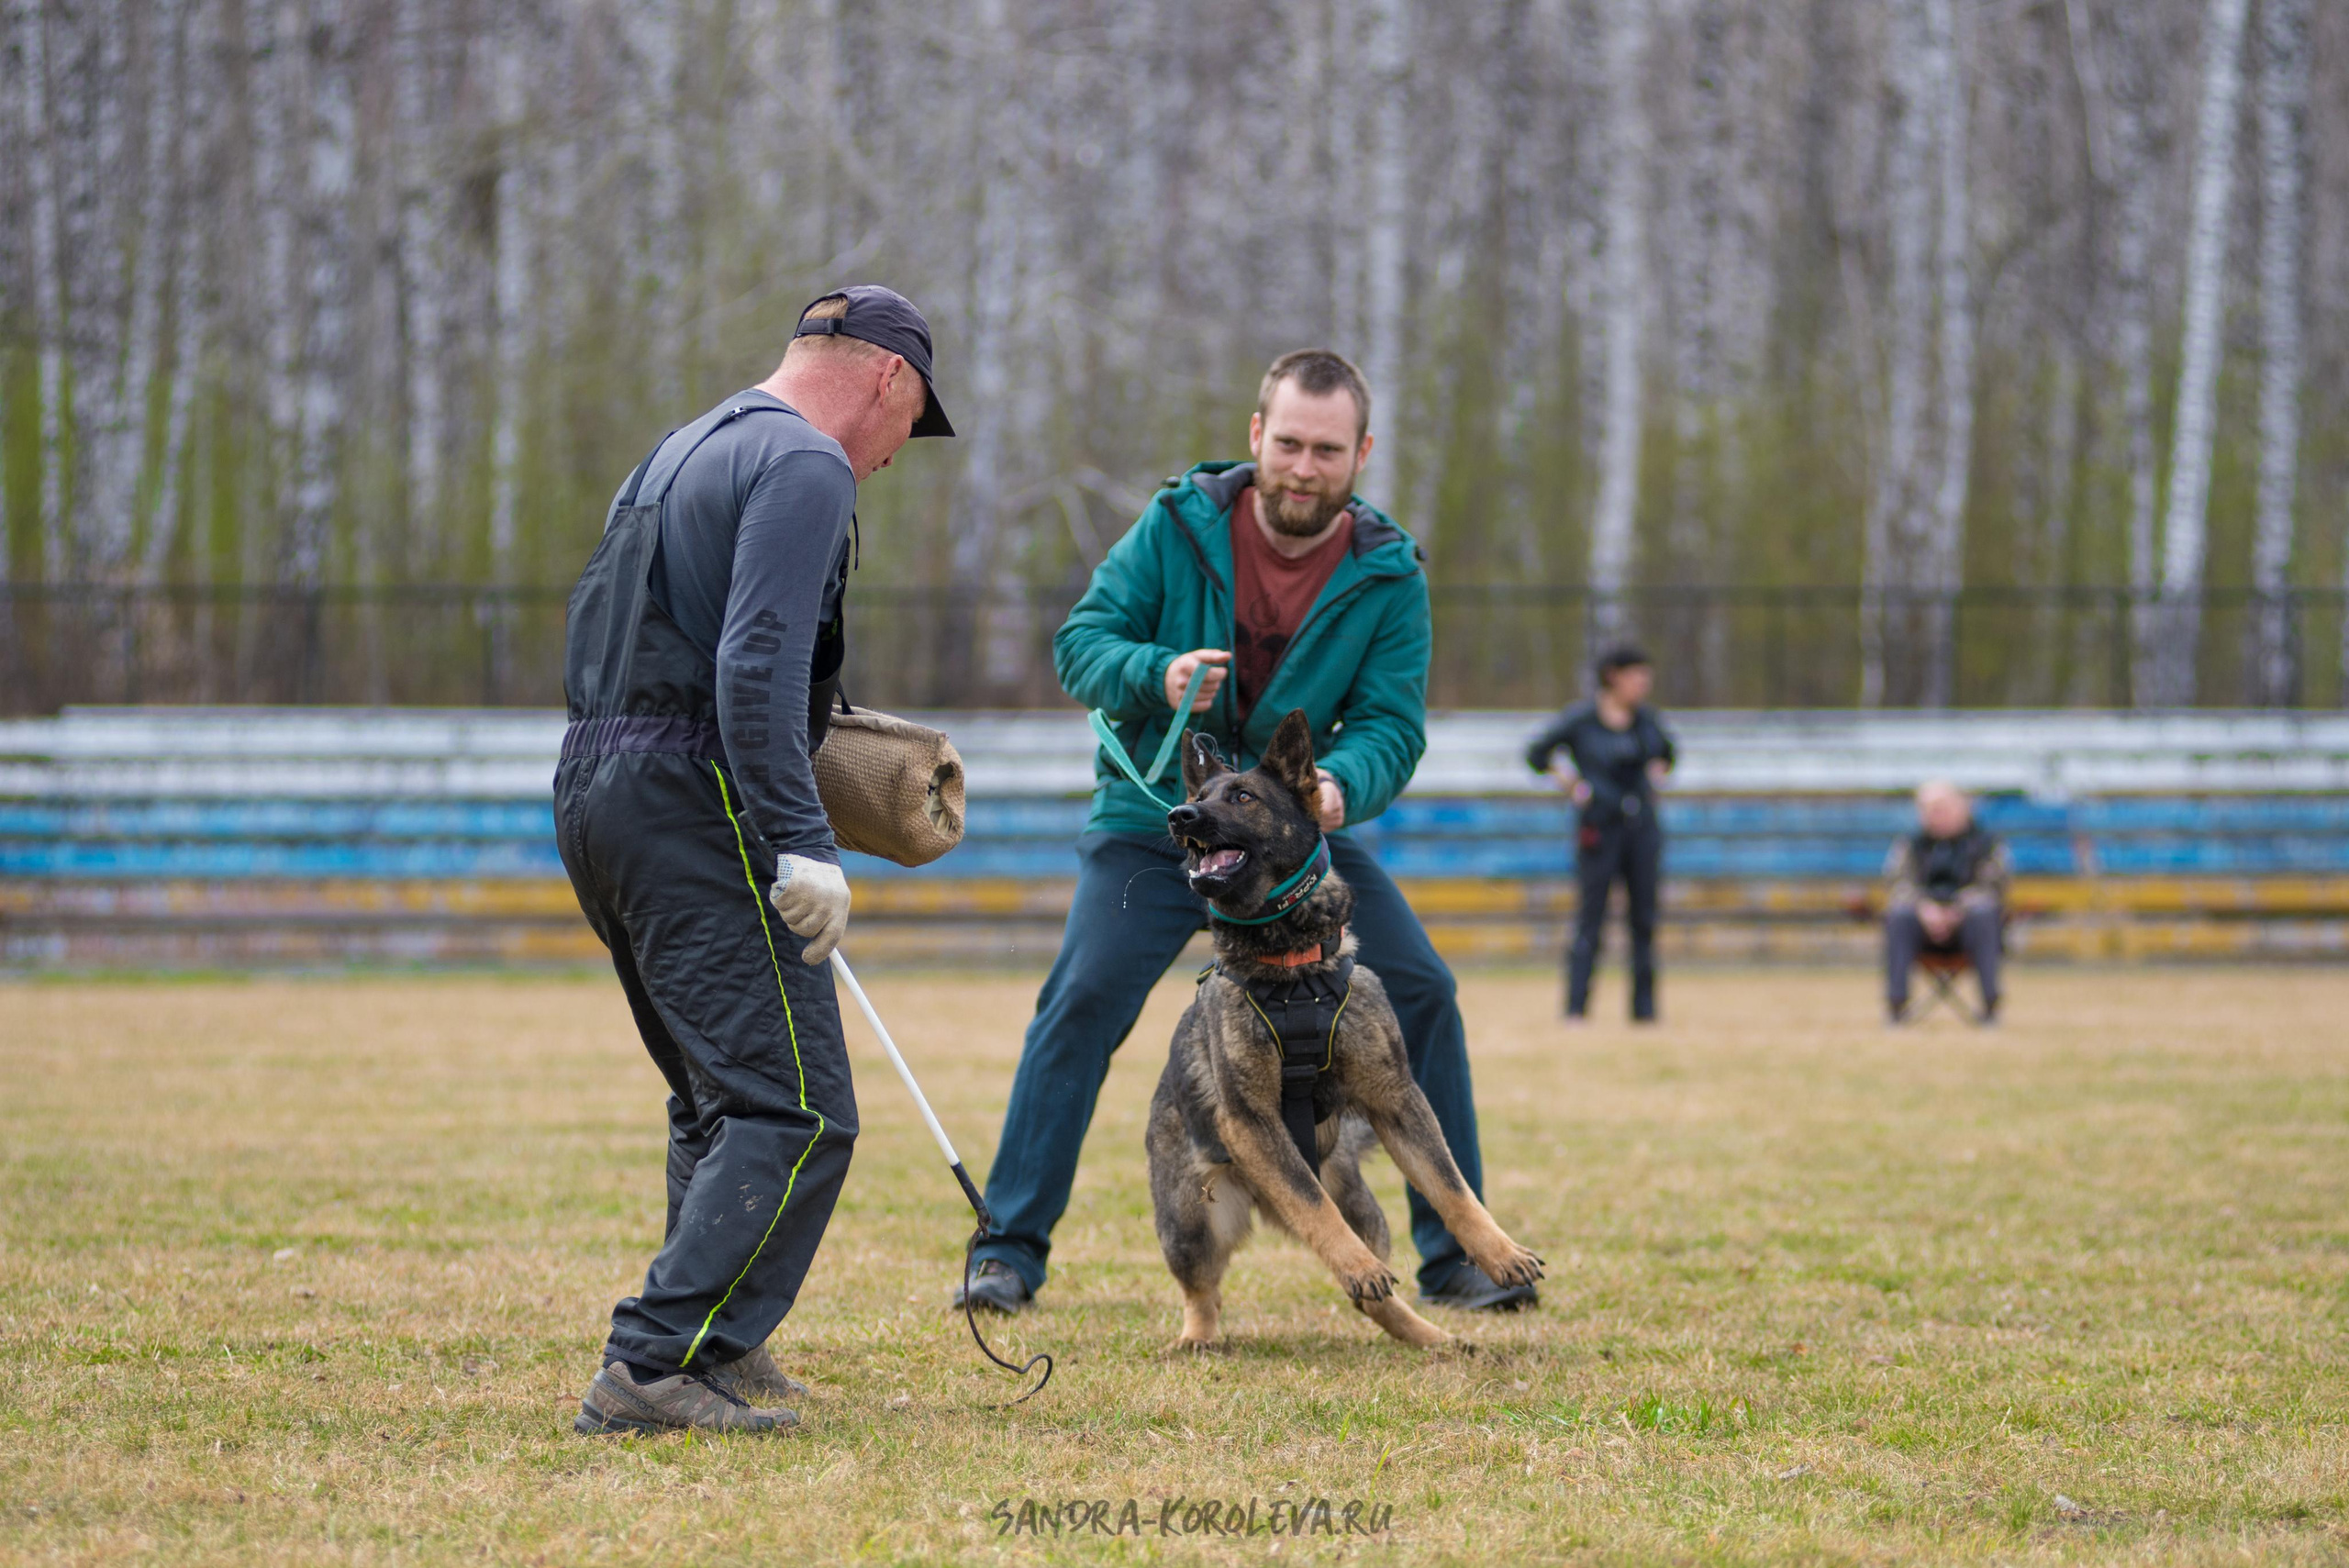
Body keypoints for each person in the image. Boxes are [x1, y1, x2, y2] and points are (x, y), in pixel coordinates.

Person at [955, 349, 1535, 1318]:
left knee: (1424, 989)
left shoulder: (1388, 573)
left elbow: (1393, 726)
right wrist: (1157, 673)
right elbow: (1079, 645)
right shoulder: (1175, 525)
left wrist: (1341, 784)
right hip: (1156, 825)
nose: (1304, 468)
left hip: (1292, 846)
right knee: (1082, 999)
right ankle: (1006, 1251)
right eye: (1290, 443)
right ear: (1257, 434)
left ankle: (1454, 1260)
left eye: (1328, 451)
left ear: (1361, 454)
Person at [554, 285, 952, 1436]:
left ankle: (717, 1345)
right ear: (888, 377)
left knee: (716, 1098)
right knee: (797, 1108)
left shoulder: (681, 449)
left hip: (597, 788)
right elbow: (754, 665)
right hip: (694, 798)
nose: (893, 455)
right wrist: (803, 839)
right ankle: (653, 1364)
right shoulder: (807, 463)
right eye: (910, 423)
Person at [1523, 646, 1676, 1023]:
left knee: (1644, 920)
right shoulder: (1582, 720)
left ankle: (1645, 1013)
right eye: (1635, 675)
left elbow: (1669, 755)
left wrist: (1656, 776)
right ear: (1613, 676)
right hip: (1599, 830)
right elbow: (1537, 754)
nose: (1642, 684)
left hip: (1641, 829)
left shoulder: (1648, 721)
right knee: (1590, 920)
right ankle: (1576, 1009)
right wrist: (1572, 785)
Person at [1884, 780, 2009, 1024]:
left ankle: (1990, 1005)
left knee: (1984, 913)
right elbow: (1898, 884)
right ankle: (1896, 1005)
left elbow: (1993, 887)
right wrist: (1924, 908)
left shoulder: (1987, 845)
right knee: (1899, 915)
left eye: (1940, 808)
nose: (1934, 815)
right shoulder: (1910, 845)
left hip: (1968, 926)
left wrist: (1957, 910)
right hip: (1922, 927)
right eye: (1927, 809)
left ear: (1961, 808)